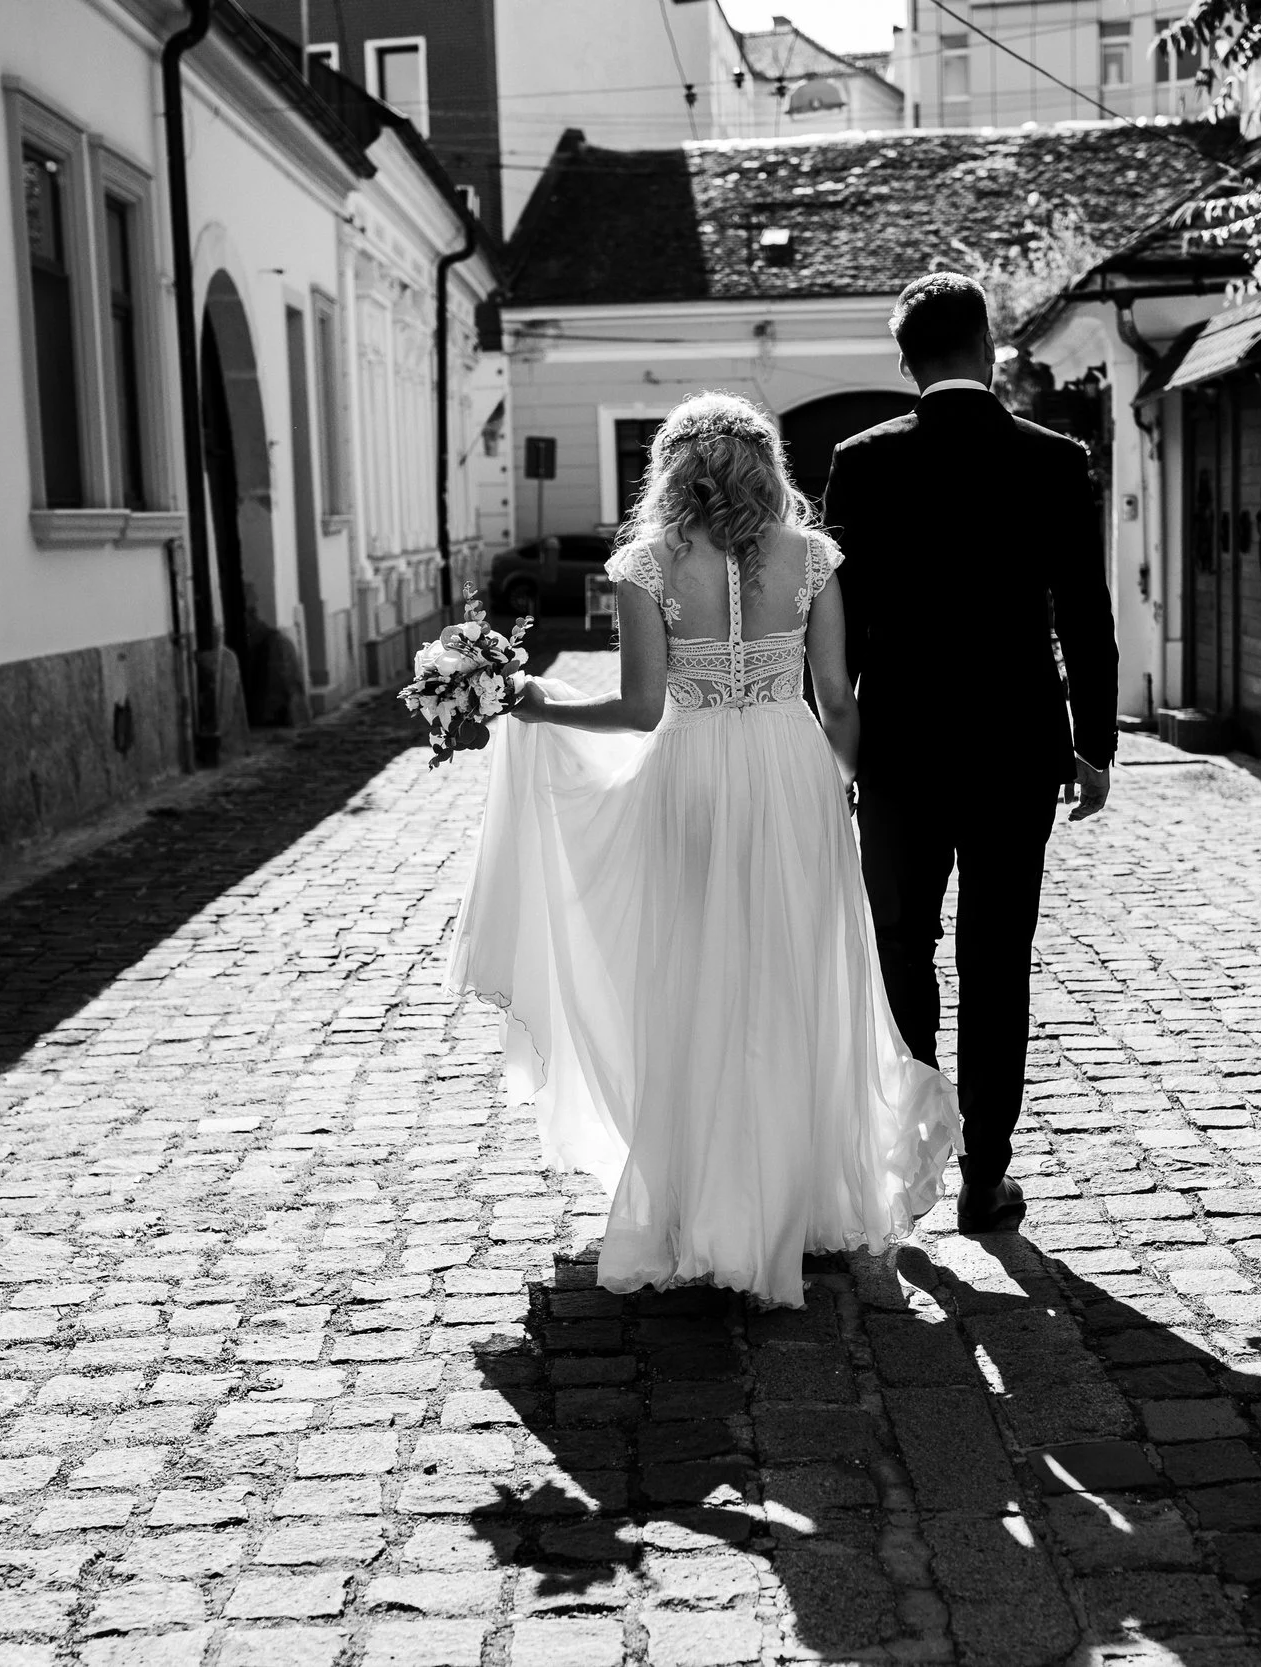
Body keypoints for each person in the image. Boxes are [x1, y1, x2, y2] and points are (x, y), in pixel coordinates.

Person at [445, 392, 959, 1310]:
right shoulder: (813, 558)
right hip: (789, 767)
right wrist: (841, 780)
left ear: (671, 470)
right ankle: (795, 1199)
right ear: (767, 466)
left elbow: (640, 707)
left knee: (698, 976)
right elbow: (837, 698)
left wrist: (539, 701)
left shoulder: (648, 563)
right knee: (791, 977)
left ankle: (704, 1200)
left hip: (690, 774)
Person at [821, 273, 1119, 1237]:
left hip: (900, 747)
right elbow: (1085, 611)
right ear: (992, 349)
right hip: (1016, 749)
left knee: (902, 948)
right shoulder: (1054, 458)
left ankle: (916, 1157)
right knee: (1000, 958)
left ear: (905, 361)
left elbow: (842, 627)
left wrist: (834, 747)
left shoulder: (861, 462)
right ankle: (986, 1177)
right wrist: (1096, 743)